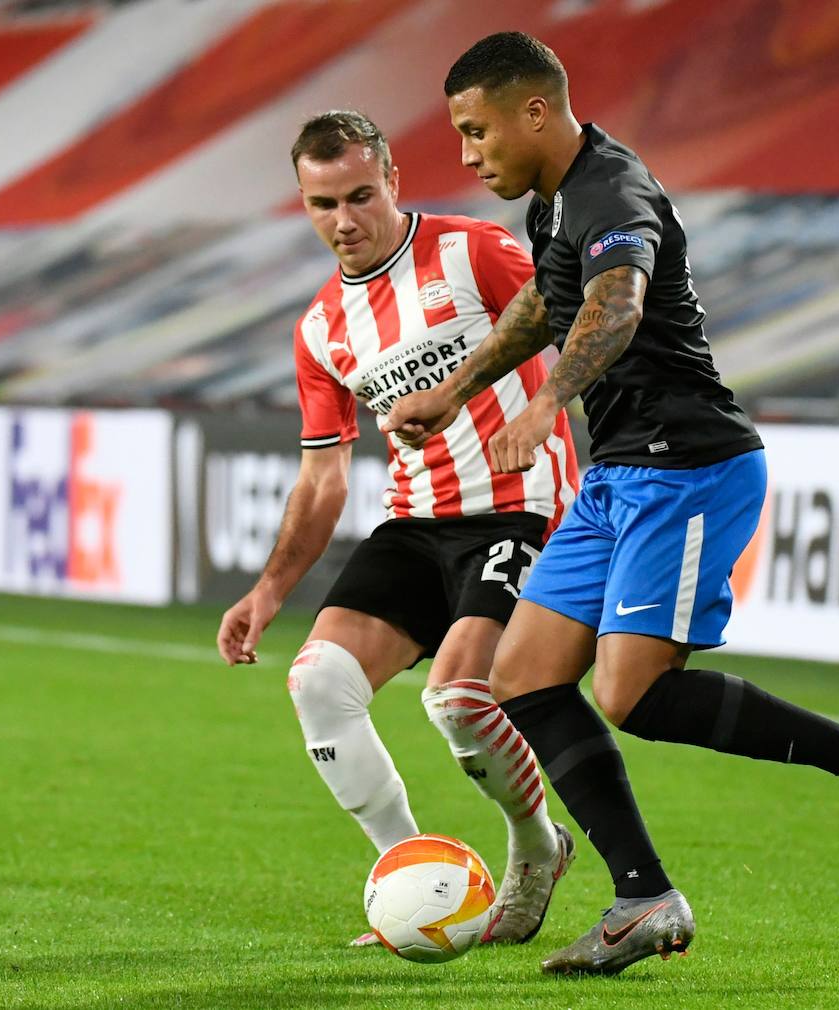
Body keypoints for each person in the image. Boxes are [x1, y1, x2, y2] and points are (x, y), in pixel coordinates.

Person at [386, 33, 839, 975]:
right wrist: (463, 385)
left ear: (535, 111)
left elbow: (618, 304)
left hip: (689, 468)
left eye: (477, 132)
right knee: (519, 679)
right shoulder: (555, 202)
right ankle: (643, 897)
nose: (469, 156)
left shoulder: (611, 191)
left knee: (628, 693)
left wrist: (551, 402)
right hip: (621, 477)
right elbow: (552, 305)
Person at [216, 111, 581, 947]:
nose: (343, 221)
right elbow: (323, 475)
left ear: (393, 183)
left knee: (456, 698)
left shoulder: (473, 251)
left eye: (359, 196)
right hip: (418, 523)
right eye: (321, 204)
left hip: (519, 506)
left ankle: (537, 846)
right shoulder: (321, 330)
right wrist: (270, 589)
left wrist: (554, 408)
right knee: (316, 684)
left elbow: (578, 320)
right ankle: (415, 878)